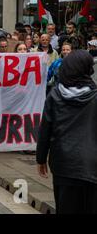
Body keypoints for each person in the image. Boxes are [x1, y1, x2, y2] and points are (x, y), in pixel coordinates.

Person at [37, 50, 97, 214]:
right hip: (92, 163)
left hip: (63, 163)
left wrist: (41, 158)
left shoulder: (55, 95)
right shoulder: (94, 96)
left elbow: (45, 129)